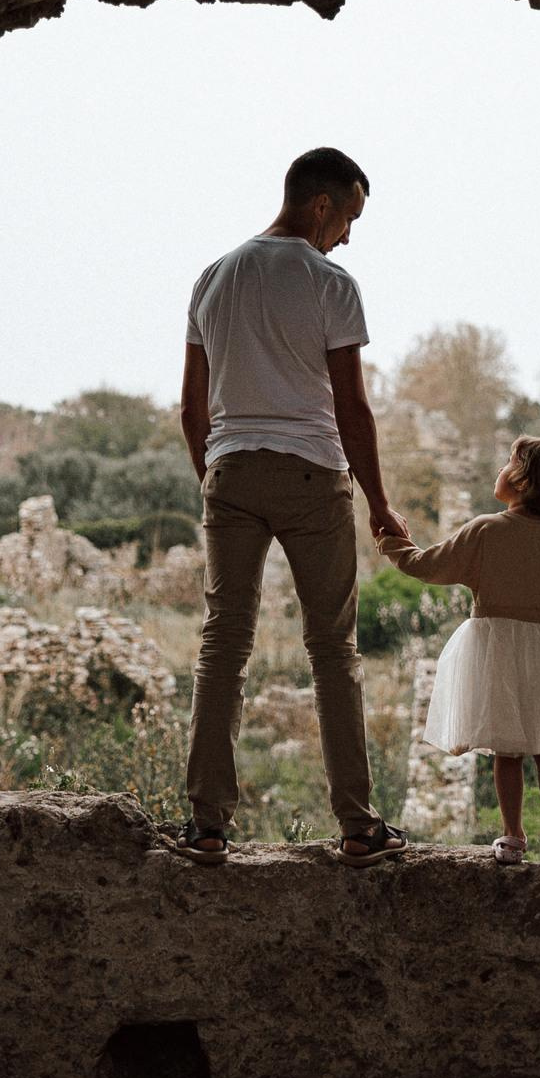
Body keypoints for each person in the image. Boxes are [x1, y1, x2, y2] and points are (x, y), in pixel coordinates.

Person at [172, 147, 413, 868]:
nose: (349, 236)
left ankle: (208, 826)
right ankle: (358, 828)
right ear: (322, 205)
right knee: (333, 652)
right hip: (313, 476)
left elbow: (192, 404)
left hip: (233, 471)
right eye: (351, 218)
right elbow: (352, 406)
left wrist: (215, 474)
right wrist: (379, 501)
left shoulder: (212, 277)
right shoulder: (331, 282)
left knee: (224, 647)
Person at [374, 436, 540, 866]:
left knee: (507, 751)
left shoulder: (486, 529)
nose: (500, 467)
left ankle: (512, 835)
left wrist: (391, 542)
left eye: (508, 461)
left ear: (521, 480)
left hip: (496, 652)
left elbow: (430, 565)